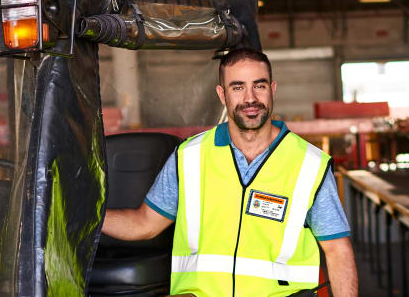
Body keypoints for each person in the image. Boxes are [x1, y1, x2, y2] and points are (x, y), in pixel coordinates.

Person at [102, 48, 358, 297]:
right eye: (238, 87)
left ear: (273, 89)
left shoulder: (309, 164)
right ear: (222, 95)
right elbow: (144, 223)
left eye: (259, 85)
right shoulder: (190, 156)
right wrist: (86, 215)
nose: (250, 98)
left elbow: (337, 249)